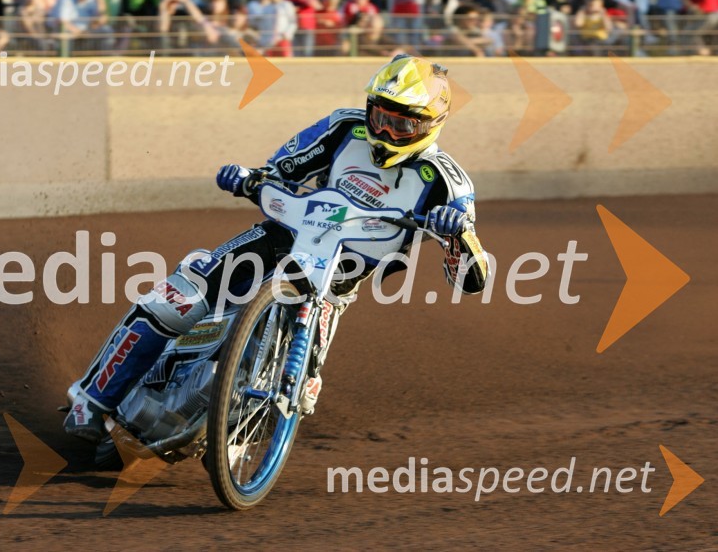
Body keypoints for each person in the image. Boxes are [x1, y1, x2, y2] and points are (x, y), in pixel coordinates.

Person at [63, 55, 491, 443]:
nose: (384, 131)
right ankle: (92, 401)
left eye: (401, 125)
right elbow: (281, 169)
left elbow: (471, 279)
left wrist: (456, 235)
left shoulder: (447, 182)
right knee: (178, 296)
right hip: (281, 239)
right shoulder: (345, 126)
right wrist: (250, 178)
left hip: (333, 283)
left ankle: (221, 431)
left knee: (299, 395)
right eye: (379, 116)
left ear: (432, 124)